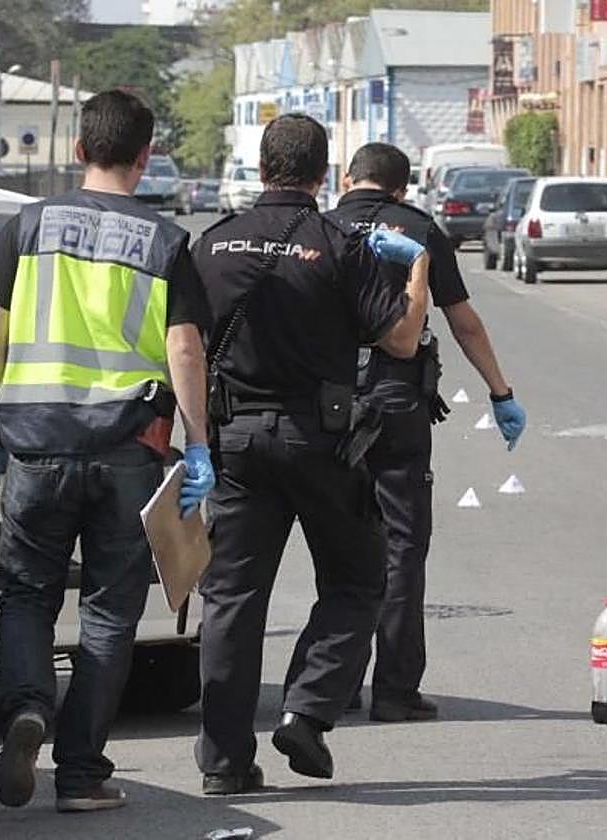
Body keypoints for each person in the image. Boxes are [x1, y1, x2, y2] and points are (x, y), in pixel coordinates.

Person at [0, 89, 213, 813]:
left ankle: (25, 707)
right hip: (127, 452)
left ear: (79, 151)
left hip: (36, 449)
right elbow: (184, 349)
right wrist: (199, 446)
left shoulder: (26, 226)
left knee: (27, 593)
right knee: (110, 614)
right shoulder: (168, 242)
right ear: (145, 158)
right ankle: (80, 776)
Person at [191, 114, 431, 794]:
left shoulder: (211, 245)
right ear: (325, 175)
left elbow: (182, 342)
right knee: (359, 581)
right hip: (320, 441)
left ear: (263, 167)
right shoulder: (338, 243)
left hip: (233, 442)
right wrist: (415, 268)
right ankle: (308, 706)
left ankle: (224, 765)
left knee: (231, 601)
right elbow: (403, 342)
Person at [326, 142, 526, 722]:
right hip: (395, 405)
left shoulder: (319, 229)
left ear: (346, 179)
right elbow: (462, 319)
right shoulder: (417, 229)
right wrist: (500, 392)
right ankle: (393, 690)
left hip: (330, 407)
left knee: (337, 546)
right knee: (403, 544)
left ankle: (331, 688)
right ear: (401, 189)